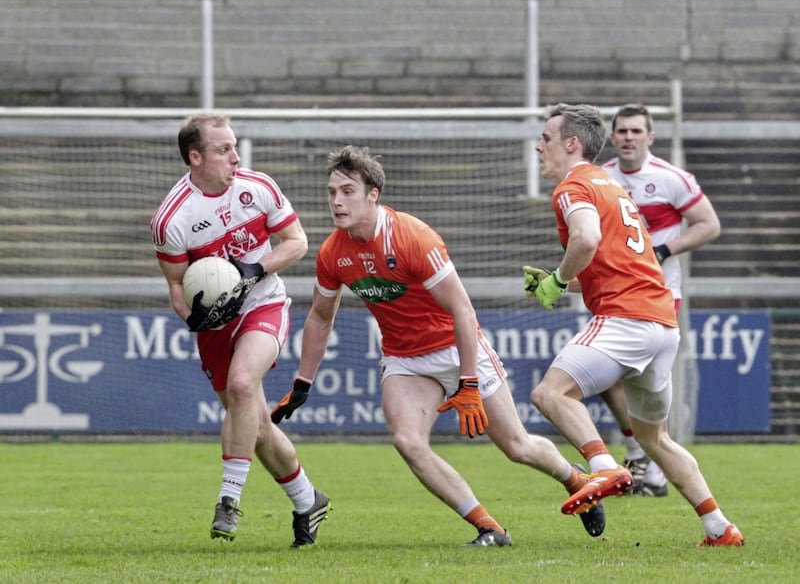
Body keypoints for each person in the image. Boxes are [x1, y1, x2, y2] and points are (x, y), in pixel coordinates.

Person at [270, 145, 606, 547]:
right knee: (408, 442)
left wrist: (466, 383)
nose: (337, 201)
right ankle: (490, 529)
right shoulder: (333, 253)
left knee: (517, 447)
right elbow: (321, 317)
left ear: (373, 194)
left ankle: (575, 479)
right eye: (331, 192)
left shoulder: (412, 237)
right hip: (404, 359)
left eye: (347, 191)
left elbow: (463, 311)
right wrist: (303, 382)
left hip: (457, 346)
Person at [523, 103, 742, 547]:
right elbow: (615, 261)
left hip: (627, 317)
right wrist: (554, 283)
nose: (538, 146)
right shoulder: (611, 185)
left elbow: (585, 239)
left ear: (571, 144)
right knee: (655, 438)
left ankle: (604, 468)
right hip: (661, 322)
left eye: (545, 138)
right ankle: (720, 528)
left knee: (549, 394)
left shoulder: (574, 185)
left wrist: (560, 279)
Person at [150, 113, 330, 547]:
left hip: (263, 303)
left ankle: (228, 500)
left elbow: (297, 242)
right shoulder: (171, 220)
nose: (236, 156)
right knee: (258, 428)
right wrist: (194, 317)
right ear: (195, 157)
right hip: (216, 326)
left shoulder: (258, 188)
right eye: (224, 149)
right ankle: (309, 500)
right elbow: (177, 286)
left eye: (234, 146)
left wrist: (252, 269)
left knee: (243, 384)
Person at [593, 103, 724, 497]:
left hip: (661, 295)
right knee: (606, 377)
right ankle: (639, 455)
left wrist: (665, 250)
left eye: (636, 131)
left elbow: (710, 225)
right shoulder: (602, 180)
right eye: (622, 131)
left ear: (650, 137)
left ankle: (653, 467)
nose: (628, 137)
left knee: (646, 382)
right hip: (615, 293)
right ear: (612, 137)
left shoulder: (672, 179)